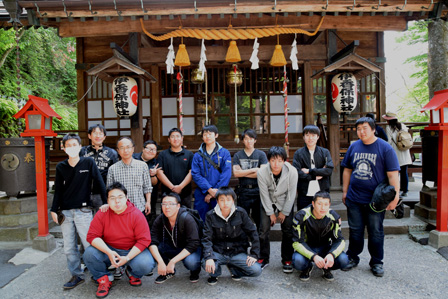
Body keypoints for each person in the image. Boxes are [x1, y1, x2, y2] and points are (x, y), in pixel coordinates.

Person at [341, 117, 400, 277]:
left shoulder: (385, 148)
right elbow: (347, 170)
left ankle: (376, 261)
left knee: (375, 231)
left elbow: (393, 175)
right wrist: (345, 191)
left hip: (376, 200)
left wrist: (395, 198)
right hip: (354, 198)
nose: (361, 131)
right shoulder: (353, 147)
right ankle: (352, 257)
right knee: (355, 230)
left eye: (365, 128)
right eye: (358, 129)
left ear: (374, 129)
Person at [50, 133, 107, 290]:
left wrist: (106, 202)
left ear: (80, 146)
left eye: (74, 144)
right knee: (69, 247)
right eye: (68, 145)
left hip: (83, 211)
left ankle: (98, 274)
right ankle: (77, 275)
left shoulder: (88, 162)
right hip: (65, 212)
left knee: (90, 244)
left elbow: (100, 183)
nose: (72, 148)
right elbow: (58, 190)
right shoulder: (61, 167)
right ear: (64, 148)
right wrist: (54, 209)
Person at [83, 182, 155, 298]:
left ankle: (132, 272)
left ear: (126, 198)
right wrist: (109, 252)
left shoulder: (136, 214)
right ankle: (103, 278)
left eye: (120, 197)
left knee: (146, 264)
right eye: (112, 198)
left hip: (131, 250)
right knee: (89, 254)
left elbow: (144, 240)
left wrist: (127, 257)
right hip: (109, 249)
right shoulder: (103, 213)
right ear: (107, 200)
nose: (117, 201)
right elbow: (92, 236)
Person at [202, 187, 262, 285]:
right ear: (217, 201)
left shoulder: (241, 213)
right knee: (206, 264)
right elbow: (206, 238)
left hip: (237, 252)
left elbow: (253, 232)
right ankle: (214, 274)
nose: (225, 203)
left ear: (233, 200)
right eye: (222, 200)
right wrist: (209, 257)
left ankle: (235, 269)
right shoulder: (210, 215)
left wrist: (254, 254)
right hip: (218, 252)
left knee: (256, 270)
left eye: (228, 200)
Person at [257, 146, 298, 273]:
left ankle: (287, 258)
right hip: (268, 199)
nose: (276, 164)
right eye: (273, 160)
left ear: (284, 161)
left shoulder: (292, 171)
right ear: (268, 160)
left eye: (280, 160)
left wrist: (284, 212)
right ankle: (263, 257)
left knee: (288, 229)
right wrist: (271, 214)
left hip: (285, 200)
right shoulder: (261, 172)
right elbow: (263, 194)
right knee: (263, 229)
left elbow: (291, 194)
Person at [292, 191, 349, 281]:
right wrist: (314, 256)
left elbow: (340, 240)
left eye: (326, 204)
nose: (323, 207)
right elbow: (297, 242)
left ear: (329, 204)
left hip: (326, 247)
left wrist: (332, 254)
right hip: (308, 246)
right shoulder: (301, 215)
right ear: (313, 204)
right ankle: (307, 267)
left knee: (344, 260)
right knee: (298, 261)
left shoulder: (334, 216)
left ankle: (326, 267)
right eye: (319, 204)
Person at [149, 193, 202, 284]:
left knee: (192, 262)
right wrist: (160, 262)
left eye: (171, 204)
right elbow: (152, 241)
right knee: (157, 249)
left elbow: (194, 243)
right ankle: (167, 271)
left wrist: (173, 261)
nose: (167, 207)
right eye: (164, 204)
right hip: (173, 245)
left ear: (178, 206)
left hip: (190, 248)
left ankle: (195, 271)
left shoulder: (187, 218)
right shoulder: (160, 219)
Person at [232, 129, 268, 245]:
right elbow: (236, 174)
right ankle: (243, 246)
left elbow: (262, 173)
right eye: (246, 139)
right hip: (243, 190)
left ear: (255, 140)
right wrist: (254, 170)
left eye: (251, 138)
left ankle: (257, 247)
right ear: (243, 141)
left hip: (258, 190)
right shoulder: (238, 155)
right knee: (242, 219)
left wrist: (244, 172)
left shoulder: (261, 154)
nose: (248, 141)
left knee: (259, 221)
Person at [191, 125, 232, 220]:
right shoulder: (197, 155)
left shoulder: (224, 153)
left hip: (220, 192)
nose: (207, 136)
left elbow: (226, 173)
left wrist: (215, 191)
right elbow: (195, 174)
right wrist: (209, 189)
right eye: (205, 134)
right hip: (202, 192)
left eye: (210, 134)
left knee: (220, 220)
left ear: (216, 135)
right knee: (201, 220)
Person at [293, 125, 334, 211]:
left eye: (313, 135)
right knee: (303, 218)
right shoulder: (298, 153)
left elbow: (328, 170)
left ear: (318, 137)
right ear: (304, 137)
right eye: (307, 135)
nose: (310, 138)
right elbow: (297, 172)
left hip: (322, 191)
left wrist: (309, 171)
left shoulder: (325, 152)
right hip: (304, 192)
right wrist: (315, 176)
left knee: (322, 218)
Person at [80, 124, 119, 211]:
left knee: (102, 220)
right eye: (95, 133)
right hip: (84, 193)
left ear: (104, 136)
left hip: (102, 193)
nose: (98, 136)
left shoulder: (111, 153)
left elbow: (114, 174)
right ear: (89, 136)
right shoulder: (82, 151)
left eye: (100, 133)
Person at [157, 128, 194, 208]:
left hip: (185, 193)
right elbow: (159, 173)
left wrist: (180, 187)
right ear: (169, 139)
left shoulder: (189, 154)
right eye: (172, 136)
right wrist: (172, 188)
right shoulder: (162, 155)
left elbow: (191, 172)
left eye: (177, 136)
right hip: (167, 193)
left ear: (182, 138)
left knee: (185, 217)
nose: (175, 139)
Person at [382, 112, 413, 197]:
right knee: (404, 172)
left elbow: (389, 142)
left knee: (395, 172)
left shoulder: (389, 128)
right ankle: (405, 190)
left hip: (395, 152)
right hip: (405, 151)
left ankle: (396, 190)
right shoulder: (402, 126)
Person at [133, 140, 161, 225]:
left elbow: (155, 183)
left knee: (148, 221)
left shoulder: (156, 163)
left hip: (149, 198)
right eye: (149, 148)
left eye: (154, 150)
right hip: (133, 194)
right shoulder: (133, 158)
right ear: (143, 149)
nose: (151, 151)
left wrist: (152, 175)